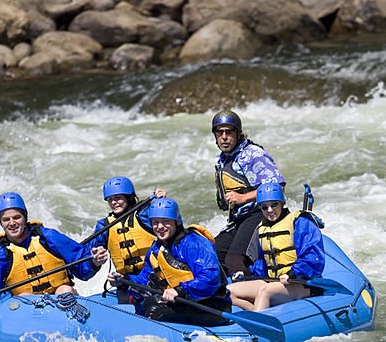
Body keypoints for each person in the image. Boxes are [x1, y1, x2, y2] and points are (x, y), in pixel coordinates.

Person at [0, 192, 95, 317]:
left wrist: (94, 262)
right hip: (28, 309)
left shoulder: (49, 238)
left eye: (17, 217)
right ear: (1, 223)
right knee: (24, 298)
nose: (12, 223)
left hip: (62, 299)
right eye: (6, 220)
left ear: (25, 217)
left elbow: (83, 269)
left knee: (64, 290)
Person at [114, 196, 231, 325]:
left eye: (165, 221)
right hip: (184, 303)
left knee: (155, 310)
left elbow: (210, 277)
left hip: (211, 305)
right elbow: (145, 279)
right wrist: (125, 280)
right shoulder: (157, 247)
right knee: (142, 301)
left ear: (176, 221)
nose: (160, 227)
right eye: (155, 222)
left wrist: (180, 291)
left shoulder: (193, 243)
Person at [228, 182, 325, 312]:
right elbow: (263, 263)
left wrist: (293, 273)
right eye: (264, 207)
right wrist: (246, 272)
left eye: (274, 204)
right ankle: (258, 318)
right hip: (273, 282)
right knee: (229, 291)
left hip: (300, 283)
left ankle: (259, 327)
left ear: (282, 203)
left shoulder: (300, 222)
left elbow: (313, 258)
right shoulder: (262, 228)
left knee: (265, 291)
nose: (270, 210)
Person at [211, 110, 286, 277]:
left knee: (234, 260)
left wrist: (243, 197)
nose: (224, 137)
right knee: (213, 252)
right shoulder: (222, 161)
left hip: (261, 212)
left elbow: (277, 186)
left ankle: (252, 295)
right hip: (241, 218)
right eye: (220, 132)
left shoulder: (253, 154)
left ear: (237, 134)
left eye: (229, 132)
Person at [87, 176, 165, 276]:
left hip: (156, 275)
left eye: (118, 198)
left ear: (129, 197)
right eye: (110, 199)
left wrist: (160, 202)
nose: (113, 202)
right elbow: (86, 264)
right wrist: (94, 261)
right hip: (126, 281)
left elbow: (172, 225)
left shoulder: (144, 213)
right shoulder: (104, 225)